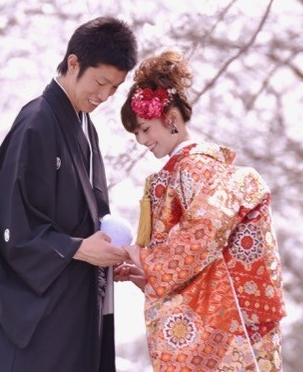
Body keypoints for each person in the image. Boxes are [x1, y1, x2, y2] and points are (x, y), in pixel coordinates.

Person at [0, 16, 139, 372]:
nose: (104, 96)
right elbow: (13, 227)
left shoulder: (85, 126)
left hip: (73, 309)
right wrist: (77, 248)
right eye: (100, 82)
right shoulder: (37, 122)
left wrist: (108, 249)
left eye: (113, 88)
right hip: (40, 322)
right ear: (73, 63)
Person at [114, 50, 285, 371]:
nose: (141, 140)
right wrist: (148, 275)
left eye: (145, 129)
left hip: (228, 320)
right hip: (223, 313)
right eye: (136, 133)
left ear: (171, 119)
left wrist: (146, 259)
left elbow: (204, 231)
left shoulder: (195, 167)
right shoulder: (187, 169)